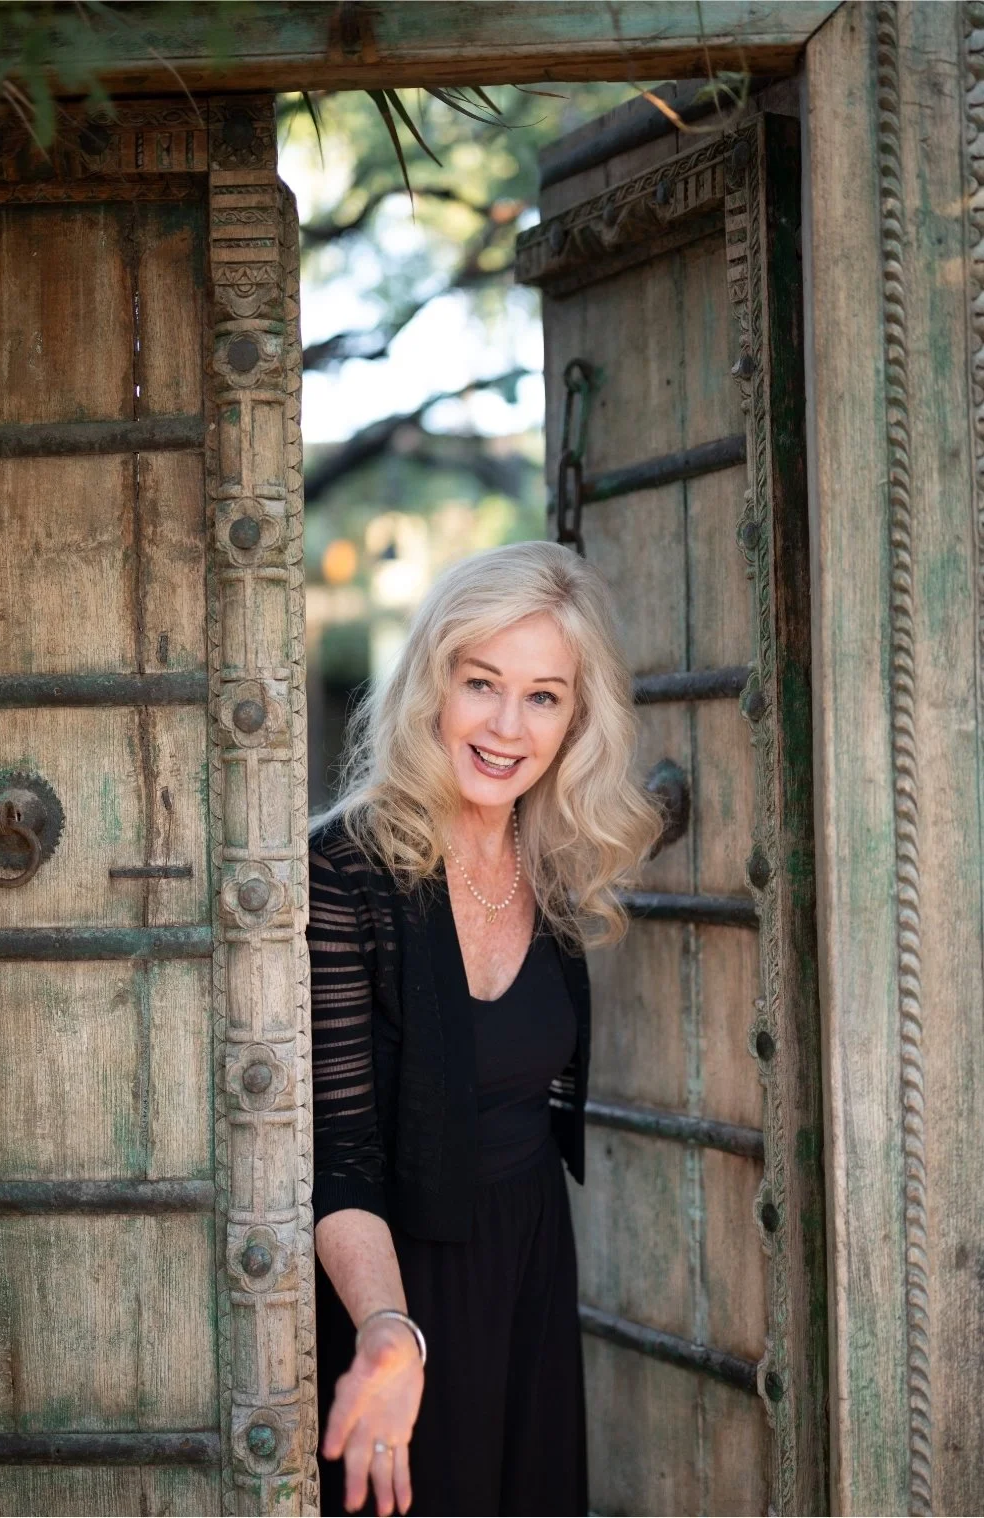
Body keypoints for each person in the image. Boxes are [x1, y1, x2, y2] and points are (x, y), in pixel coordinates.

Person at [309, 540, 660, 1516]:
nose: (507, 725)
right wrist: (388, 1329)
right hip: (400, 1286)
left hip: (533, 1266)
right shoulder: (343, 874)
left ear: (574, 718)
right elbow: (334, 1156)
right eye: (482, 684)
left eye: (543, 696)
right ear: (433, 683)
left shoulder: (545, 860)